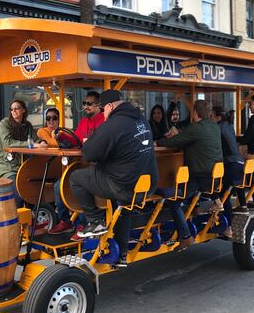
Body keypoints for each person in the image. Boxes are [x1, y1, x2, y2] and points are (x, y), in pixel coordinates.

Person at [71, 90, 158, 267]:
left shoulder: (113, 124)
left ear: (110, 106)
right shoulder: (142, 120)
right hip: (146, 186)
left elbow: (89, 154)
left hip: (123, 185)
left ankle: (95, 221)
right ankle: (122, 256)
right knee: (124, 208)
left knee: (75, 177)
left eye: (103, 109)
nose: (103, 113)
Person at [157, 100, 223, 250]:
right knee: (185, 192)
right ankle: (195, 211)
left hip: (200, 176)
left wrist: (158, 141)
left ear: (194, 113)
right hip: (214, 176)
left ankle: (186, 237)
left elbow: (175, 142)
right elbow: (191, 140)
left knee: (174, 201)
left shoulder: (195, 128)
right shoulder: (214, 126)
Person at [48, 91, 104, 239]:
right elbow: (76, 140)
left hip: (98, 167)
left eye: (89, 104)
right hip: (81, 165)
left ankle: (84, 224)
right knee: (58, 186)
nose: (85, 106)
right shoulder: (83, 122)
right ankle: (65, 221)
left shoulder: (104, 121)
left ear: (99, 106)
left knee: (84, 187)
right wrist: (61, 135)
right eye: (84, 103)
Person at [0, 99, 44, 206]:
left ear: (23, 110)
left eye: (16, 108)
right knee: (19, 193)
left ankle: (30, 218)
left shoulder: (28, 126)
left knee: (35, 192)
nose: (14, 111)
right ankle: (16, 220)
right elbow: (8, 143)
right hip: (7, 168)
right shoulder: (5, 123)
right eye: (11, 109)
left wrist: (42, 142)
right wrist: (31, 144)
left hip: (24, 168)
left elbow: (35, 140)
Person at [211, 106, 248, 237]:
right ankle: (228, 224)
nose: (210, 118)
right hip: (238, 164)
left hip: (231, 165)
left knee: (217, 190)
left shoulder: (218, 127)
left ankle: (227, 226)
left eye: (211, 116)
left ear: (217, 117)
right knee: (224, 192)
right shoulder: (227, 125)